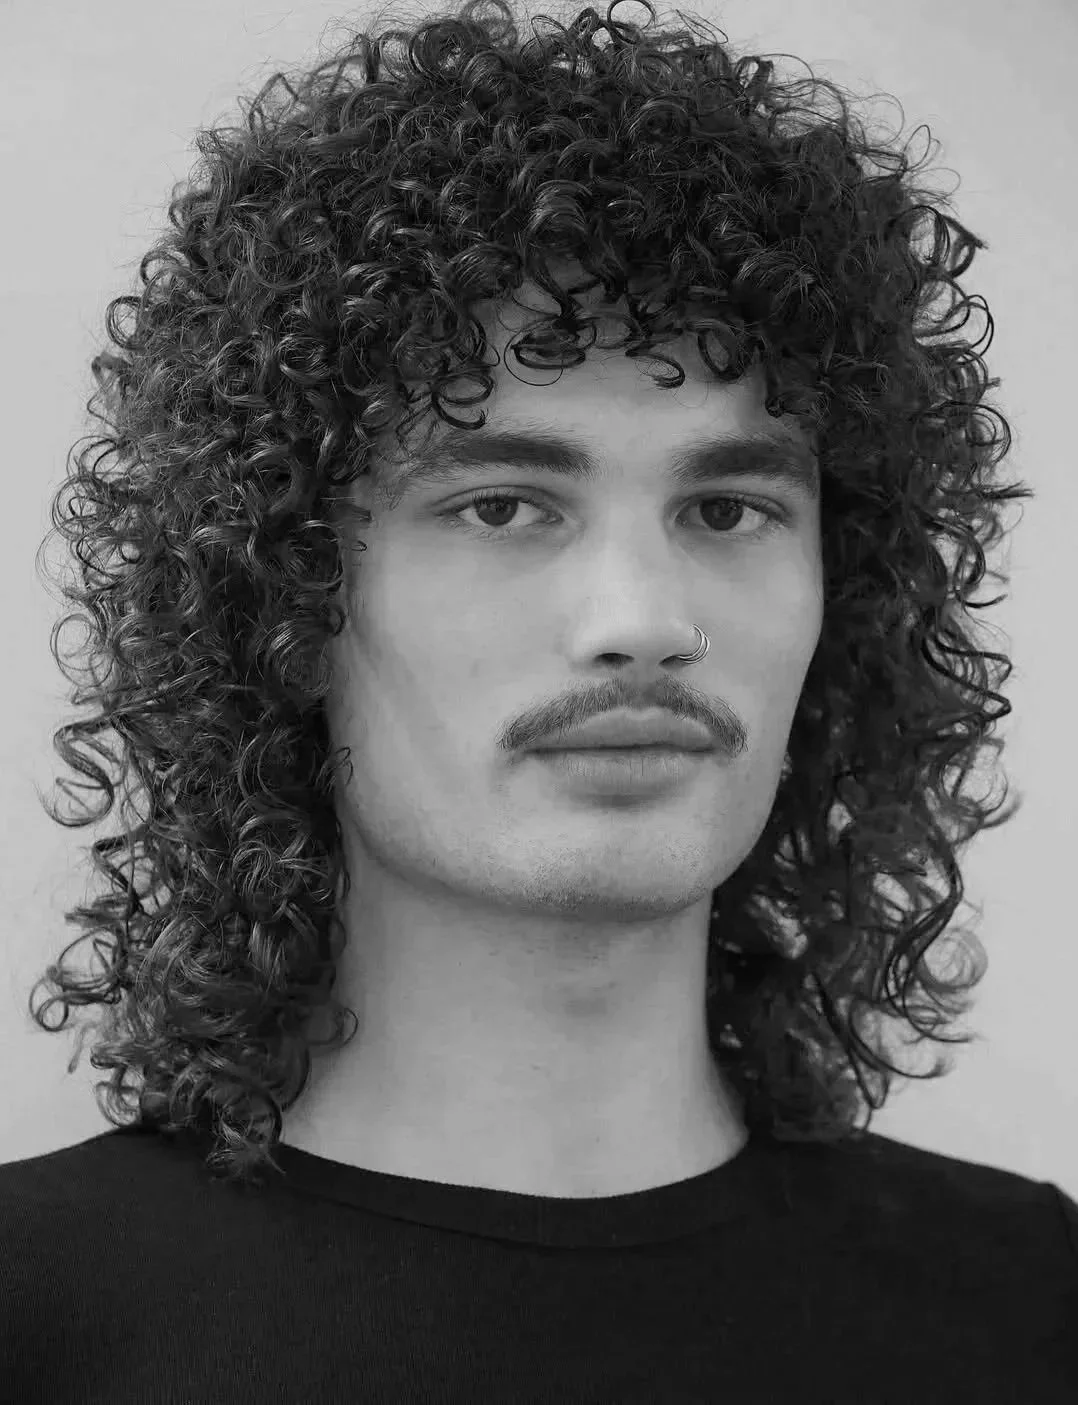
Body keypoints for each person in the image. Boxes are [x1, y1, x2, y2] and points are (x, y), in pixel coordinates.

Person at [3, 2, 1074, 1400]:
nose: (643, 621)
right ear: (284, 600)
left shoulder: (1031, 1308)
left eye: (728, 508)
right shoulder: (36, 1319)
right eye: (504, 505)